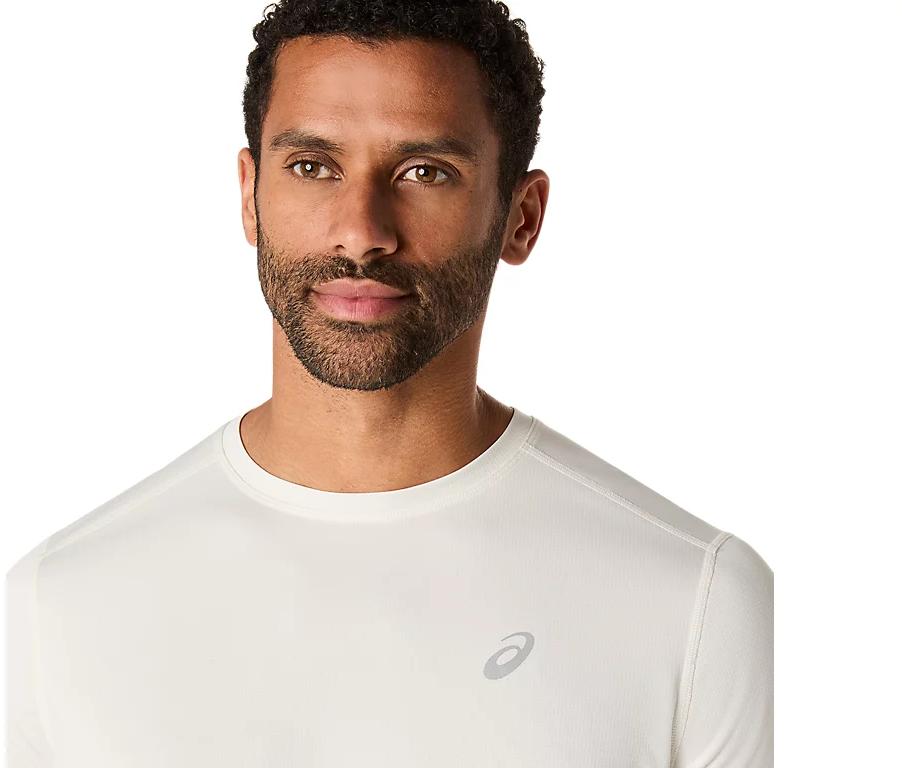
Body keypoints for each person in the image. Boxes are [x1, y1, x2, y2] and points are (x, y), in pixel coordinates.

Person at [5, 1, 773, 765]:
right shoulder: (58, 608)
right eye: (313, 166)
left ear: (521, 217)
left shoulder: (696, 600)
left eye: (424, 172)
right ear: (249, 196)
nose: (361, 231)